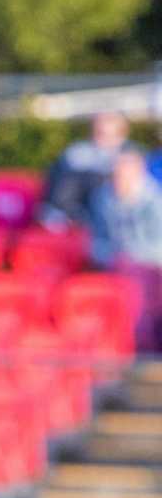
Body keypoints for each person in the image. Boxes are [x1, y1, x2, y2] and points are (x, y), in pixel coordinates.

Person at [89, 148, 162, 353]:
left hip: (150, 270)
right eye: (116, 173)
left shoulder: (156, 202)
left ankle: (144, 347)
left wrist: (130, 257)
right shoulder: (102, 199)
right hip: (114, 266)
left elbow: (158, 246)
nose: (119, 178)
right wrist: (111, 256)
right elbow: (96, 241)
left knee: (139, 283)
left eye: (125, 173)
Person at [40, 111, 142, 230]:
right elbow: (58, 182)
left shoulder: (134, 154)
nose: (102, 138)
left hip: (116, 212)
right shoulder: (77, 152)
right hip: (75, 210)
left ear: (122, 133)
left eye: (106, 133)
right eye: (98, 132)